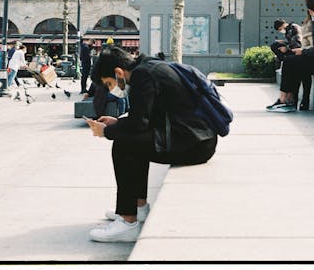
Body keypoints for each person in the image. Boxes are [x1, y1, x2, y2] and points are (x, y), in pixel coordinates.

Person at [84, 47, 218, 243]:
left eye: (109, 83)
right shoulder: (149, 68)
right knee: (132, 139)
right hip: (197, 140)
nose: (112, 88)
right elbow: (144, 118)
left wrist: (107, 131)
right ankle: (138, 207)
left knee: (124, 143)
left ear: (119, 72)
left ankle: (127, 220)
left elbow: (139, 124)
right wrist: (117, 123)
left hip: (194, 145)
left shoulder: (142, 76)